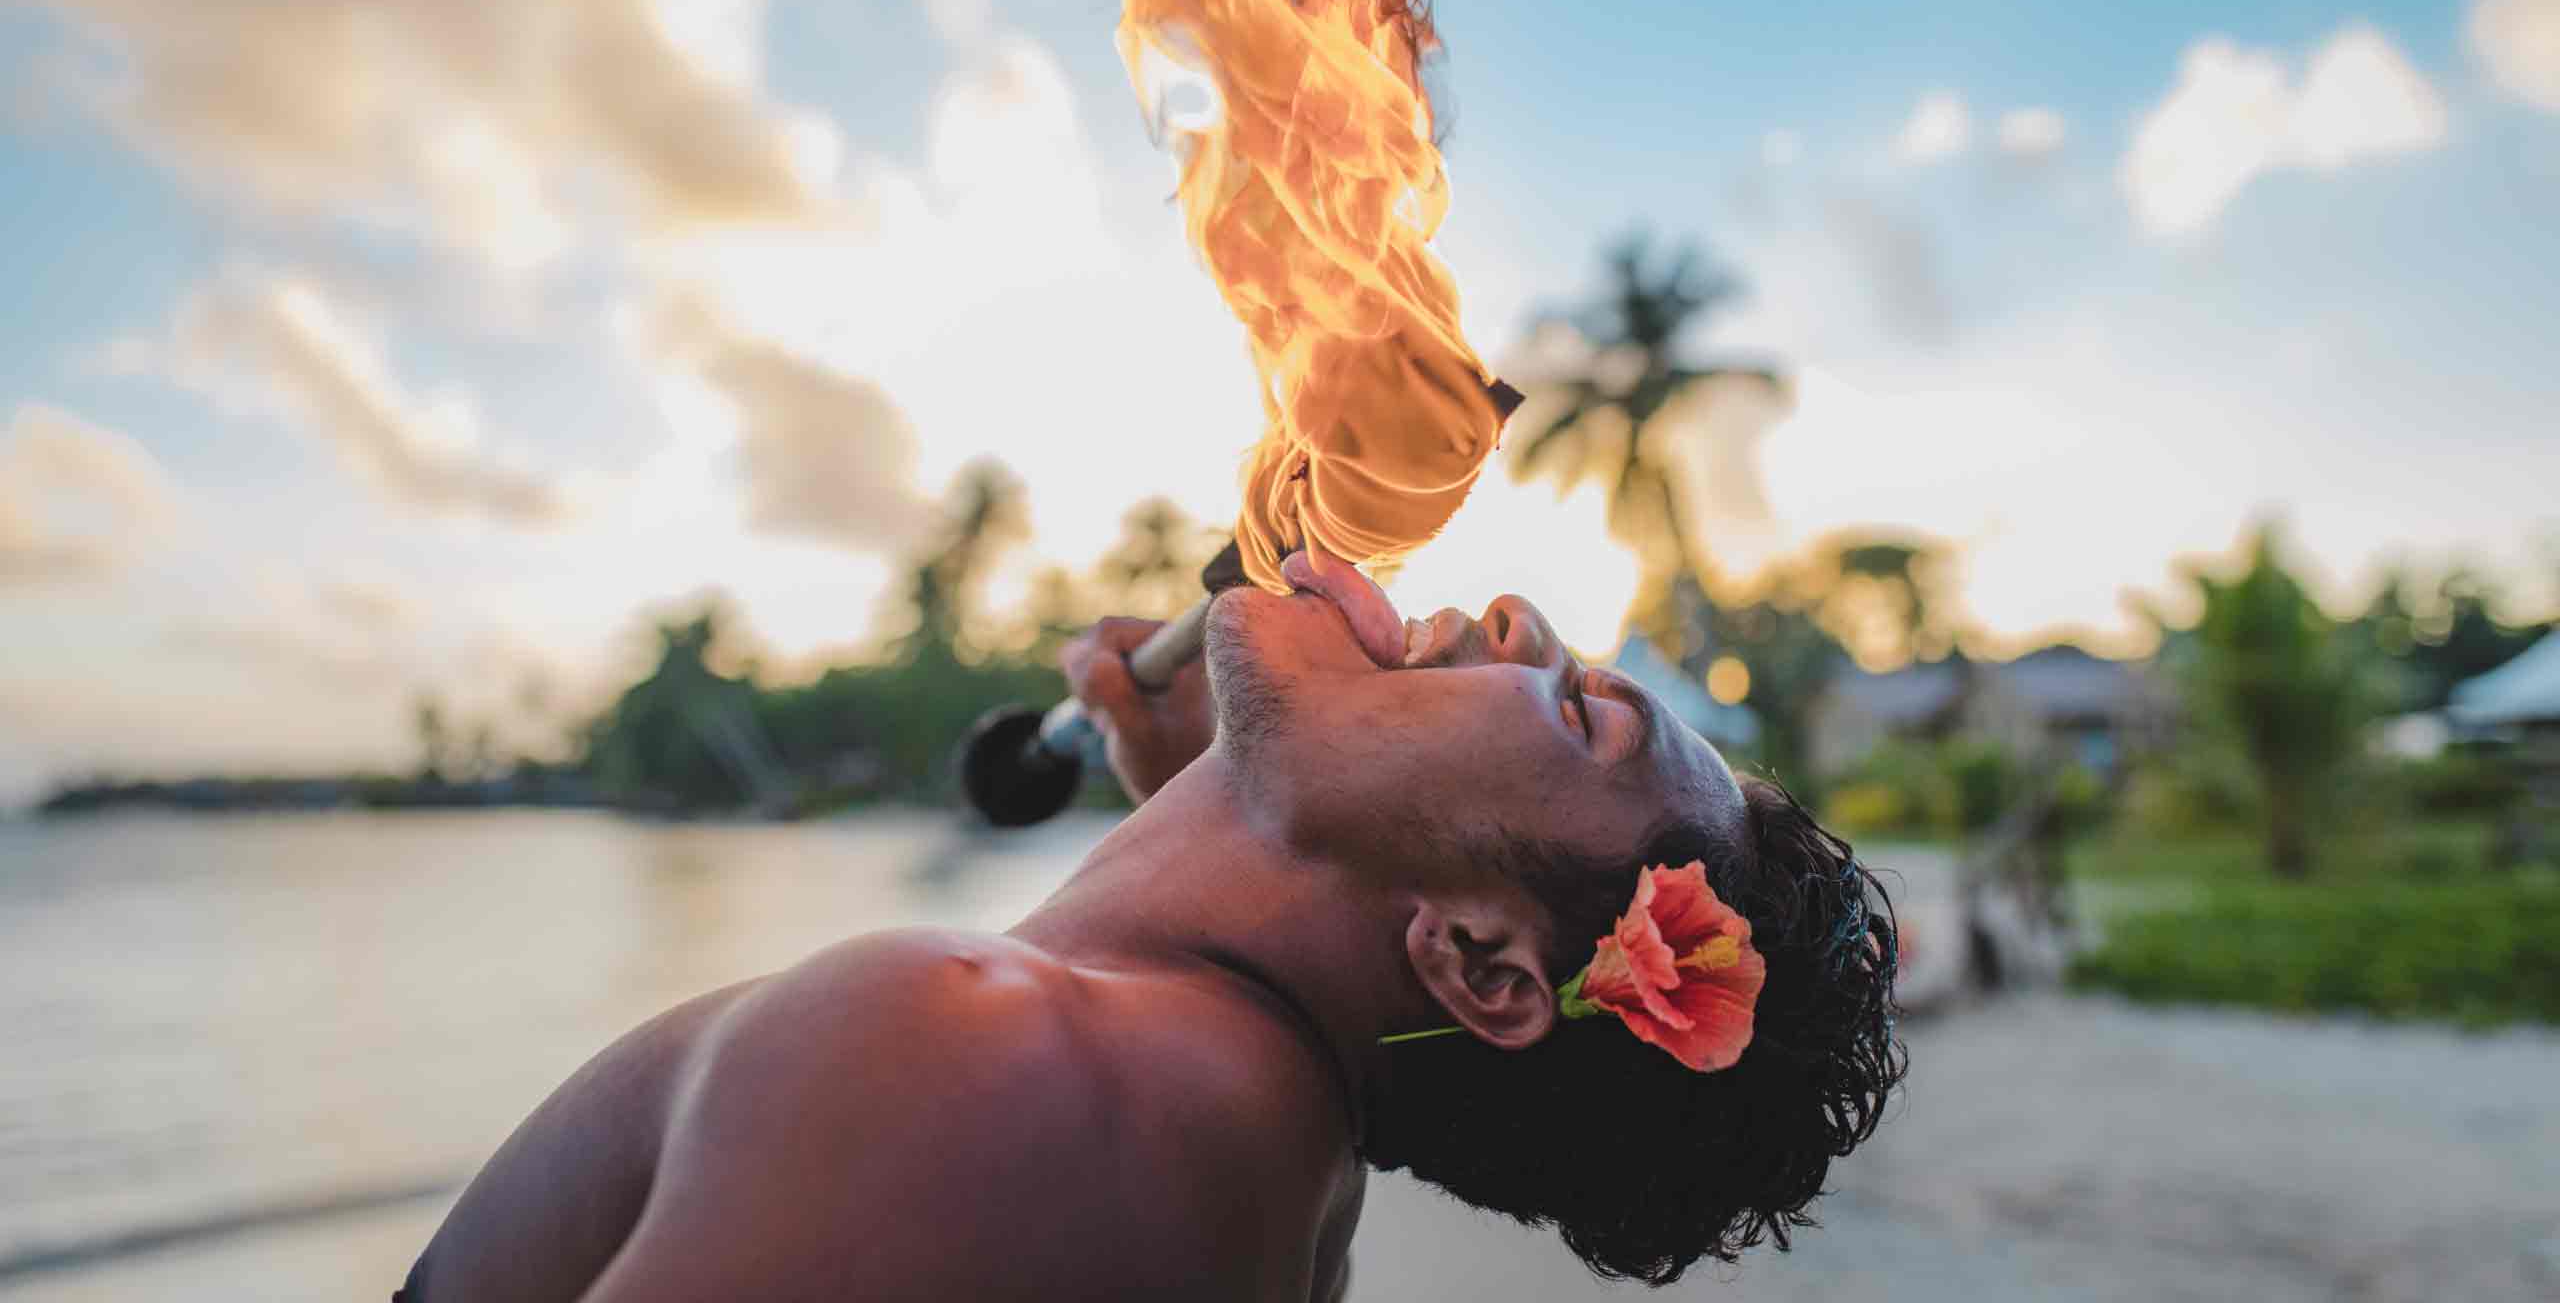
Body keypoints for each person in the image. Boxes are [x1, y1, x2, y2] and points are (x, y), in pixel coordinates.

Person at [397, 545, 1903, 1300]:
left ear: (1484, 964)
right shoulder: (1268, 1154)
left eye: (1580, 711)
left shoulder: (999, 1075)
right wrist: (1226, 797)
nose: (1513, 620)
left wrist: (1266, 792)